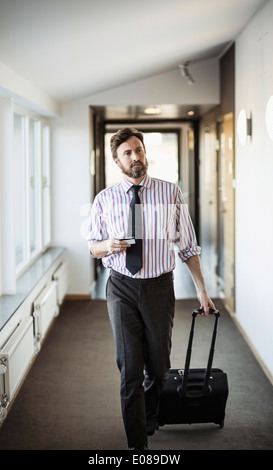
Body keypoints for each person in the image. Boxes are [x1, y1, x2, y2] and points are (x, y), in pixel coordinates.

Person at [87, 127, 215, 450]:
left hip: (159, 287)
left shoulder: (170, 193)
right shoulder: (104, 200)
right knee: (129, 369)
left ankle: (150, 413)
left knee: (158, 368)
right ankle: (138, 445)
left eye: (139, 150)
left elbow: (188, 247)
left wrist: (201, 290)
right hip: (121, 288)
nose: (135, 157)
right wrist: (109, 245)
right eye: (128, 153)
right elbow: (92, 247)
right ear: (117, 161)